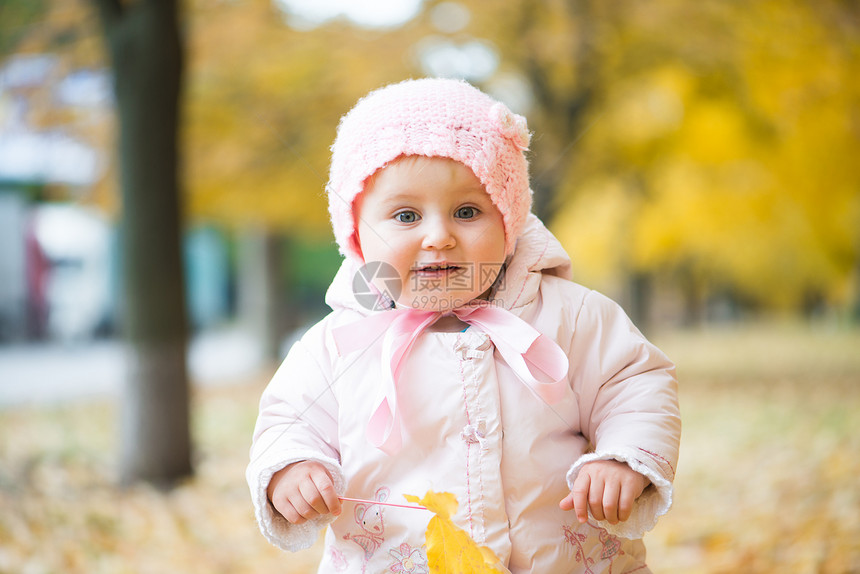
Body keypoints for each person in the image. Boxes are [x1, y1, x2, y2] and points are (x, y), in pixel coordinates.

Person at [246, 78, 681, 573]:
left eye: (467, 212)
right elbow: (288, 421)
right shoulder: (338, 343)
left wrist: (623, 458)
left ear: (509, 221)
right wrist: (291, 471)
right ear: (359, 238)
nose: (439, 236)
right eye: (406, 215)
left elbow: (634, 385)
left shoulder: (572, 317)